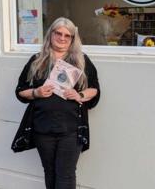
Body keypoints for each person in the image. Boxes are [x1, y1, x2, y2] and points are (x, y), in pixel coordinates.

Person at [13, 17, 100, 189]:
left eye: (67, 36)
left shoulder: (81, 60)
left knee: (65, 175)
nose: (62, 38)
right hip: (42, 128)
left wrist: (79, 94)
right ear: (50, 34)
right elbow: (20, 90)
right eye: (58, 33)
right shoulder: (37, 60)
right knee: (50, 171)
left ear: (73, 39)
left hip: (71, 129)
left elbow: (95, 90)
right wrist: (36, 92)